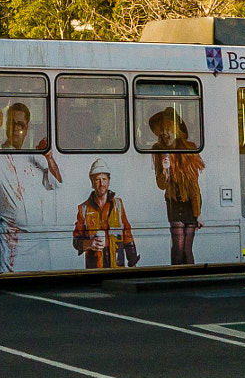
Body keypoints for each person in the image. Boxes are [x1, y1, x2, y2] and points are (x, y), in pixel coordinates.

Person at [0, 101, 62, 274]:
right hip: (10, 238)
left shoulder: (35, 154)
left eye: (19, 125)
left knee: (41, 284)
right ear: (6, 127)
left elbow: (55, 182)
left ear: (27, 128)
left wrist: (49, 158)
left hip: (37, 239)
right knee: (6, 285)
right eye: (11, 124)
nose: (15, 129)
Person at [147, 104, 204, 266]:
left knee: (187, 250)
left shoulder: (189, 149)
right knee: (178, 248)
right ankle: (175, 278)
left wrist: (197, 213)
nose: (165, 133)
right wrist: (165, 171)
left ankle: (190, 281)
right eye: (161, 129)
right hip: (173, 203)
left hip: (190, 204)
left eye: (168, 128)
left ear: (176, 130)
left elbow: (194, 186)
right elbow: (161, 185)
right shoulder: (158, 150)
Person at [72, 159, 136, 270]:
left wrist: (133, 261)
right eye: (97, 179)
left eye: (104, 179)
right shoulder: (84, 209)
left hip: (116, 264)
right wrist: (89, 243)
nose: (101, 183)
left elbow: (127, 234)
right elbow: (76, 241)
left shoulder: (118, 205)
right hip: (95, 267)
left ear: (108, 181)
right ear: (92, 182)